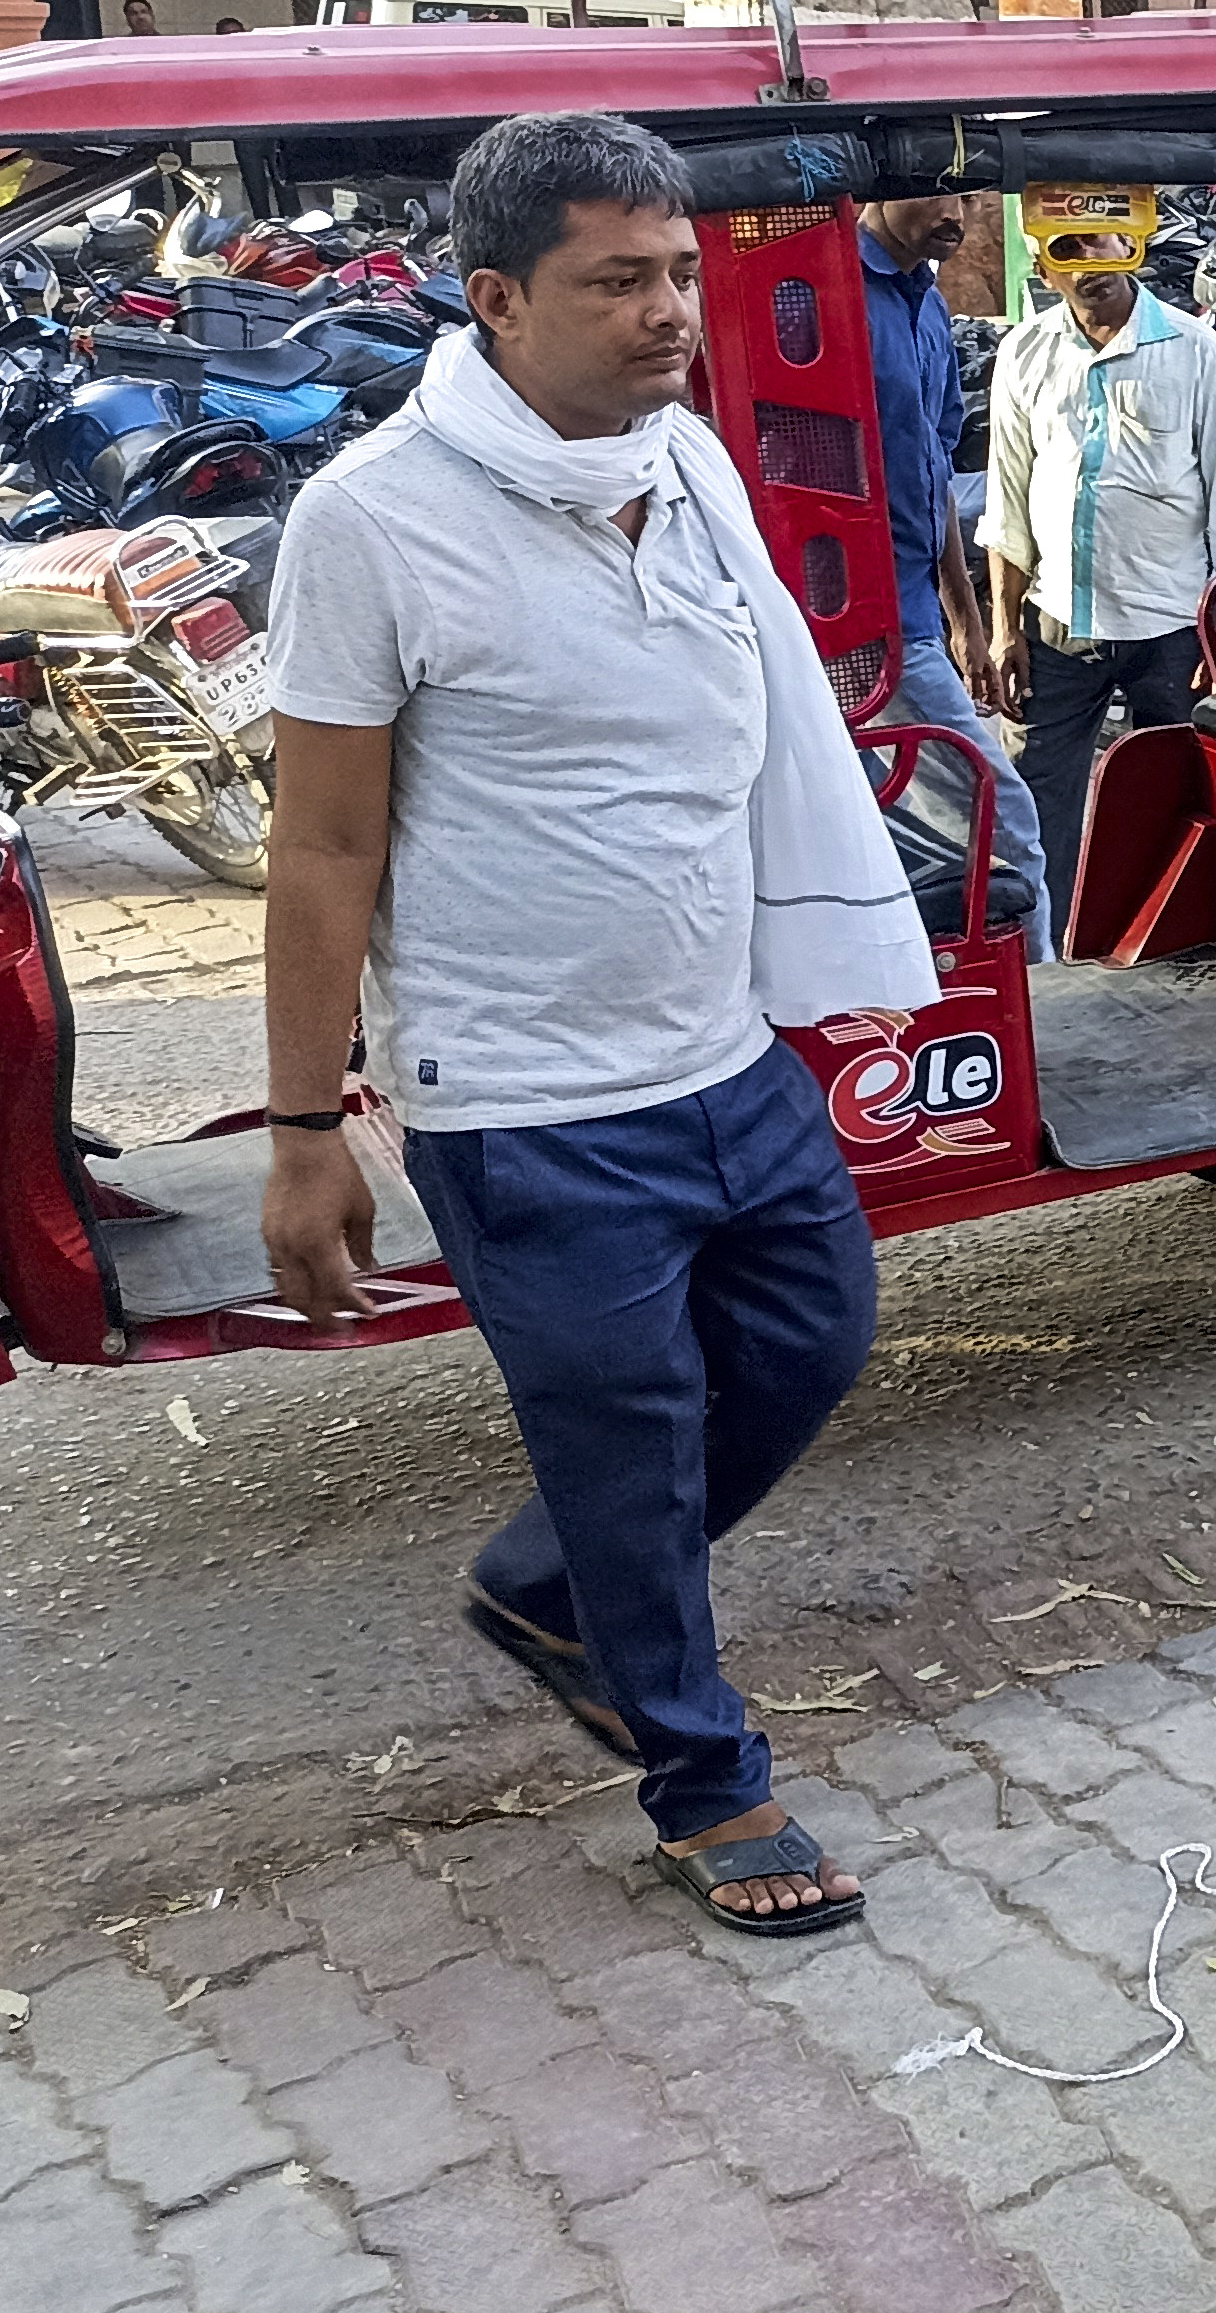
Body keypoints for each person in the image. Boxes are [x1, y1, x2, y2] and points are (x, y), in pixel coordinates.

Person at [259, 110, 941, 1938]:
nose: (669, 314)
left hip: (725, 1049)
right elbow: (321, 846)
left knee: (812, 1335)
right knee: (628, 1437)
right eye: (616, 281)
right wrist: (302, 1126)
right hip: (527, 1101)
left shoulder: (687, 461)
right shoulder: (369, 524)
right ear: (495, 299)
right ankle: (704, 1777)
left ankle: (558, 1590)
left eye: (678, 273)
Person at [980, 247, 1216, 889]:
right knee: (1034, 802)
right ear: (1040, 264)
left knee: (1175, 801)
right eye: (1067, 250)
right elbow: (1008, 499)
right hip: (1057, 626)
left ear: (1131, 243)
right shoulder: (1024, 352)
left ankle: (1161, 950)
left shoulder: (1196, 350)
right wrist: (1004, 627)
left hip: (1172, 628)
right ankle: (1041, 953)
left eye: (1102, 241)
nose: (1088, 264)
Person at [859, 191, 1050, 954]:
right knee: (1005, 821)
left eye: (972, 196)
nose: (960, 213)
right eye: (940, 190)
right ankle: (1038, 1014)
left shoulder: (926, 304)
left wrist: (966, 620)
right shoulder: (828, 296)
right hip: (858, 626)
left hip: (916, 619)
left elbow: (933, 472)